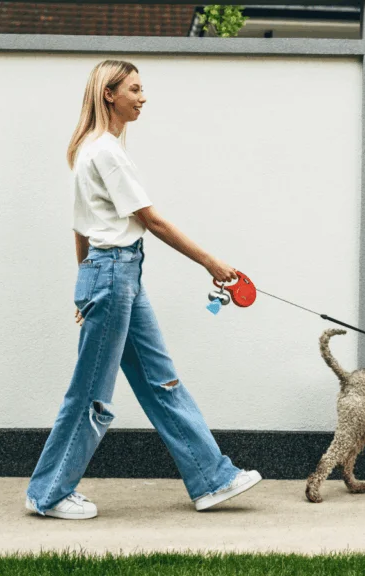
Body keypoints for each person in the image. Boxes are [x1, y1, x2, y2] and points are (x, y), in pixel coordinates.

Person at [24, 59, 261, 520]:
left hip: (115, 276)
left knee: (161, 381)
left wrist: (83, 285)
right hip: (113, 276)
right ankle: (48, 492)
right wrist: (212, 263)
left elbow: (80, 229)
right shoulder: (106, 152)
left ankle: (212, 478)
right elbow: (151, 221)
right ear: (109, 94)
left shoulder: (92, 150)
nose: (143, 96)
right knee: (90, 392)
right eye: (134, 88)